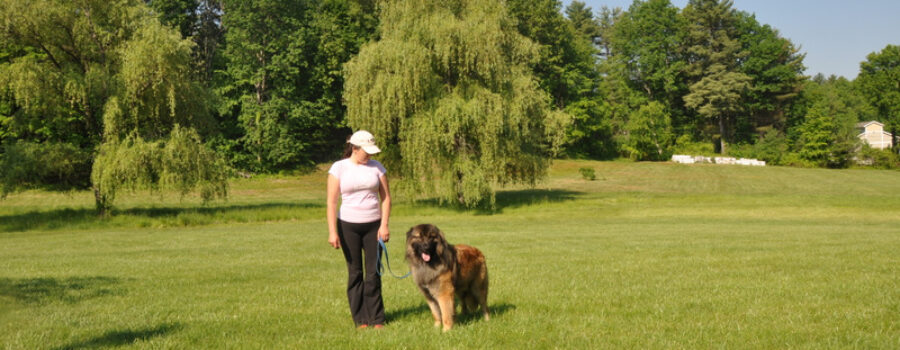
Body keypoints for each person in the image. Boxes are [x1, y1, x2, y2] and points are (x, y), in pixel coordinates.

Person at [326, 130, 392, 329]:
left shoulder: (377, 167)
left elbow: (386, 198)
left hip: (374, 226)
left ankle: (377, 318)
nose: (370, 155)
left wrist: (384, 224)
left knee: (373, 273)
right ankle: (361, 319)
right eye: (366, 151)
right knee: (355, 272)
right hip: (348, 227)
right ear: (355, 148)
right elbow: (331, 202)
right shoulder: (339, 168)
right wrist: (332, 231)